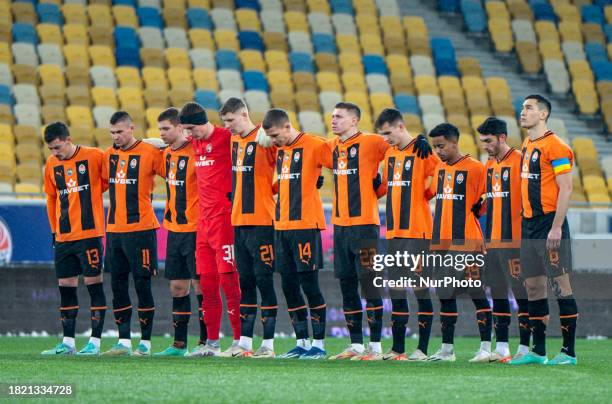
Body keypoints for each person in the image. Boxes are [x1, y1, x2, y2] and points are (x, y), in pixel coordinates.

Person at [326, 103, 433, 361]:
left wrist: (421, 139)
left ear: (354, 120)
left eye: (338, 116)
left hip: (366, 226)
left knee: (370, 286)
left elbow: (403, 144)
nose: (333, 120)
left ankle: (375, 346)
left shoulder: (374, 141)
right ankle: (356, 345)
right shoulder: (330, 147)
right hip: (340, 227)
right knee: (347, 286)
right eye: (331, 116)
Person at [510, 95, 578, 366]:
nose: (523, 111)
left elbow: (567, 188)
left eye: (529, 108)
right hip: (529, 226)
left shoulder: (557, 146)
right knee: (534, 288)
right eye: (522, 107)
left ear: (544, 114)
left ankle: (568, 352)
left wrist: (557, 227)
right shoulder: (527, 144)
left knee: (561, 288)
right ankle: (537, 351)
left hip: (550, 224)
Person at [374, 109, 440, 361]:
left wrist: (428, 191)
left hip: (418, 232)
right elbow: (385, 187)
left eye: (388, 133)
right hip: (394, 233)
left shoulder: (423, 151)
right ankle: (398, 349)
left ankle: (422, 349)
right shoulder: (390, 153)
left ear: (401, 127)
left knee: (421, 289)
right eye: (382, 134)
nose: (385, 139)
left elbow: (441, 174)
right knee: (397, 291)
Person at [262, 108, 328, 359]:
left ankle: (319, 345)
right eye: (271, 137)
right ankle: (301, 341)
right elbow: (287, 181)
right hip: (282, 226)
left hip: (305, 226)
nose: (275, 141)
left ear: (288, 127)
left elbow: (343, 159)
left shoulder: (314, 144)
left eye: (277, 135)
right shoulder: (281, 149)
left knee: (309, 285)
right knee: (289, 286)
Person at [426, 123, 493, 363]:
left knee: (477, 293)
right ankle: (447, 350)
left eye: (441, 146)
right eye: (435, 147)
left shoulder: (476, 168)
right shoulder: (439, 168)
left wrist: (482, 205)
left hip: (468, 242)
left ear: (455, 143)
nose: (438, 151)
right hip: (442, 243)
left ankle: (486, 348)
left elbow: (491, 197)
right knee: (445, 295)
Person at [179, 102, 241, 357]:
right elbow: (170, 139)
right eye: (186, 130)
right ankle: (212, 343)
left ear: (203, 122)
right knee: (207, 283)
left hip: (224, 220)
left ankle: (240, 341)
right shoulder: (194, 141)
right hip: (203, 223)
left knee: (229, 282)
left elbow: (252, 134)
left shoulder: (226, 138)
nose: (189, 135)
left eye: (191, 128)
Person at [101, 111, 164, 356]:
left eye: (119, 132)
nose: (115, 137)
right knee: (117, 287)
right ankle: (123, 342)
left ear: (131, 128)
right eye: (112, 133)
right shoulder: (108, 156)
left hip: (142, 231)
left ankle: (145, 343)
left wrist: (162, 145)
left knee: (142, 285)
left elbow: (174, 173)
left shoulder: (149, 153)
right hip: (115, 231)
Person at [41, 122, 107, 356]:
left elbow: (109, 183)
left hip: (89, 235)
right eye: (51, 149)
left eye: (57, 147)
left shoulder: (95, 156)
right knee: (66, 288)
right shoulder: (51, 164)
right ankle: (68, 343)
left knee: (93, 285)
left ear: (68, 139)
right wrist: (54, 231)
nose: (55, 153)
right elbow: (51, 199)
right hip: (64, 237)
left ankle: (95, 343)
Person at [220, 97, 279, 358]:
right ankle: (244, 343)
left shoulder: (265, 138)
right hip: (238, 221)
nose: (228, 126)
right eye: (225, 122)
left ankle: (268, 344)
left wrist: (272, 137)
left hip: (263, 221)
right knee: (245, 281)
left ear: (244, 114)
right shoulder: (234, 140)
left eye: (231, 121)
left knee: (264, 280)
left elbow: (292, 148)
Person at [151, 108, 205, 357]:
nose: (161, 134)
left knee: (201, 286)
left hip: (196, 230)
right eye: (159, 129)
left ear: (180, 127)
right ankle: (179, 345)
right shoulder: (167, 155)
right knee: (177, 288)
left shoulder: (198, 150)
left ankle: (206, 342)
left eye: (165, 129)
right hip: (174, 230)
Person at [477, 117, 531, 363]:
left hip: (516, 241)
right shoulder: (489, 164)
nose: (485, 146)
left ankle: (525, 348)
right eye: (482, 142)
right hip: (494, 242)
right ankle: (501, 347)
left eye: (488, 141)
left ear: (502, 138)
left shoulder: (521, 160)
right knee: (497, 294)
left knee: (522, 295)